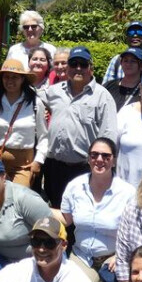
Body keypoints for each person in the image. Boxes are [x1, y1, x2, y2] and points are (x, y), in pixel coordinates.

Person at [60, 137, 135, 282]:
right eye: (94, 155)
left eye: (106, 156)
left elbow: (135, 233)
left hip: (113, 258)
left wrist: (121, 256)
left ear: (114, 161)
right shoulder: (74, 186)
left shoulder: (127, 193)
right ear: (88, 158)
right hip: (82, 256)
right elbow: (66, 219)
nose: (99, 159)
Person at [44, 46, 118, 208]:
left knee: (81, 213)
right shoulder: (53, 92)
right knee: (56, 212)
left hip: (84, 169)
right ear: (67, 67)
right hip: (55, 167)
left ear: (91, 68)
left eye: (83, 64)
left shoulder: (102, 96)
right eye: (73, 63)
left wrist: (102, 168)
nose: (78, 68)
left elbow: (109, 134)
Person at [0, 59, 47, 187]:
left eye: (15, 77)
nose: (10, 81)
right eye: (6, 77)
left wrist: (38, 161)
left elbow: (43, 136)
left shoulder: (35, 103)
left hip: (23, 164)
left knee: (19, 199)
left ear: (22, 79)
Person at [103, 47, 142, 111]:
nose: (128, 64)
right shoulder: (109, 86)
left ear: (141, 65)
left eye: (133, 61)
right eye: (125, 61)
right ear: (121, 63)